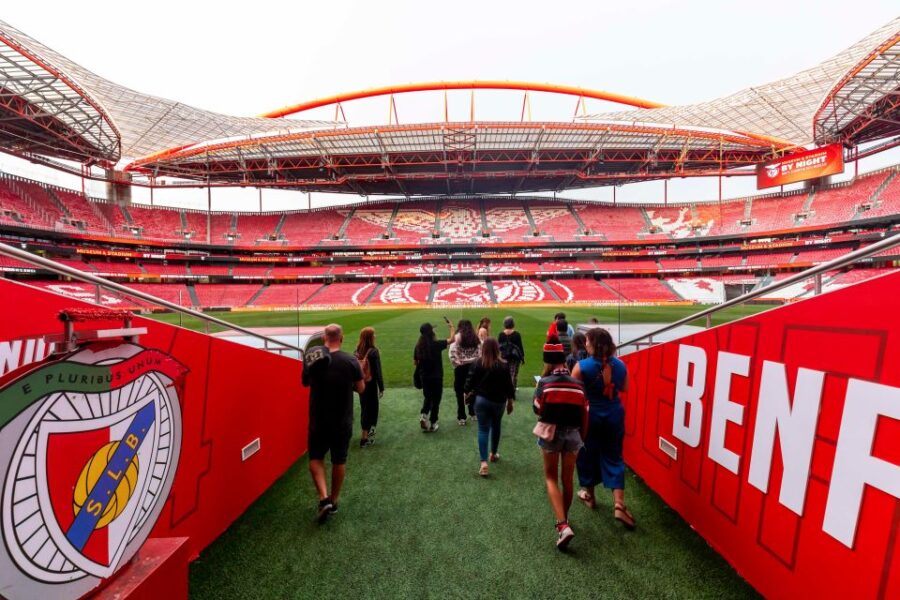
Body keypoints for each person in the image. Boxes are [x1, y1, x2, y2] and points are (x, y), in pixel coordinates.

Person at [571, 327, 635, 529]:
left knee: (587, 454)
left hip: (590, 416)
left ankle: (589, 495)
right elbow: (624, 388)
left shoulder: (581, 366)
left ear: (595, 344)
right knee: (614, 455)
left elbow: (574, 393)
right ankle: (619, 504)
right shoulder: (621, 365)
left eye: (588, 341)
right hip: (614, 414)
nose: (586, 344)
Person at [301, 324, 365, 523]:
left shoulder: (312, 360)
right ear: (342, 338)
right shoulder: (350, 360)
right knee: (339, 460)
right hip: (342, 420)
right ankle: (334, 500)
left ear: (324, 339)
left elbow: (305, 382)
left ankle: (323, 497)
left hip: (318, 419)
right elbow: (361, 389)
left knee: (315, 458)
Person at [533, 342, 588, 550]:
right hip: (574, 435)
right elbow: (584, 411)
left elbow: (537, 409)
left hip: (551, 434)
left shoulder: (545, 382)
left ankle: (562, 525)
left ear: (547, 361)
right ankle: (565, 520)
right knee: (567, 479)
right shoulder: (578, 384)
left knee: (550, 478)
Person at [464, 338, 515, 477]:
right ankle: (493, 453)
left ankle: (483, 462)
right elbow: (509, 387)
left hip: (481, 401)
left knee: (483, 429)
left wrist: (466, 394)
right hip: (499, 402)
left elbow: (468, 384)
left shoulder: (476, 363)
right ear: (497, 349)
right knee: (496, 425)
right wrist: (510, 402)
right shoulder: (503, 365)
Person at [414, 320, 455, 432]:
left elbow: (415, 362)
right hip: (436, 377)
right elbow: (452, 339)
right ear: (430, 332)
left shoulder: (418, 346)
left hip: (424, 377)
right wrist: (451, 327)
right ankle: (433, 423)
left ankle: (424, 415)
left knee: (428, 397)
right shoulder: (436, 344)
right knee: (436, 400)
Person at [355, 327, 384, 447]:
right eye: (374, 335)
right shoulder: (373, 351)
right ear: (370, 338)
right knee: (371, 407)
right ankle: (364, 438)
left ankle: (368, 430)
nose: (375, 336)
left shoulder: (356, 350)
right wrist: (381, 387)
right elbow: (377, 371)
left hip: (361, 383)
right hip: (371, 383)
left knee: (364, 407)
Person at [449, 319, 481, 425]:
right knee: (473, 389)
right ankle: (473, 413)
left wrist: (457, 364)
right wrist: (476, 362)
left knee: (459, 392)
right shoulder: (475, 337)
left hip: (461, 368)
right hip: (473, 367)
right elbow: (480, 352)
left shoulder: (458, 337)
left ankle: (462, 417)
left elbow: (452, 352)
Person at [498, 316, 525, 389]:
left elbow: (499, 348)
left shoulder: (501, 334)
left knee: (504, 375)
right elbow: (520, 347)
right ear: (513, 324)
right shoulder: (517, 334)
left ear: (504, 324)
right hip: (514, 358)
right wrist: (522, 358)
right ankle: (511, 392)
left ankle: (504, 390)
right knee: (513, 375)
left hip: (503, 358)